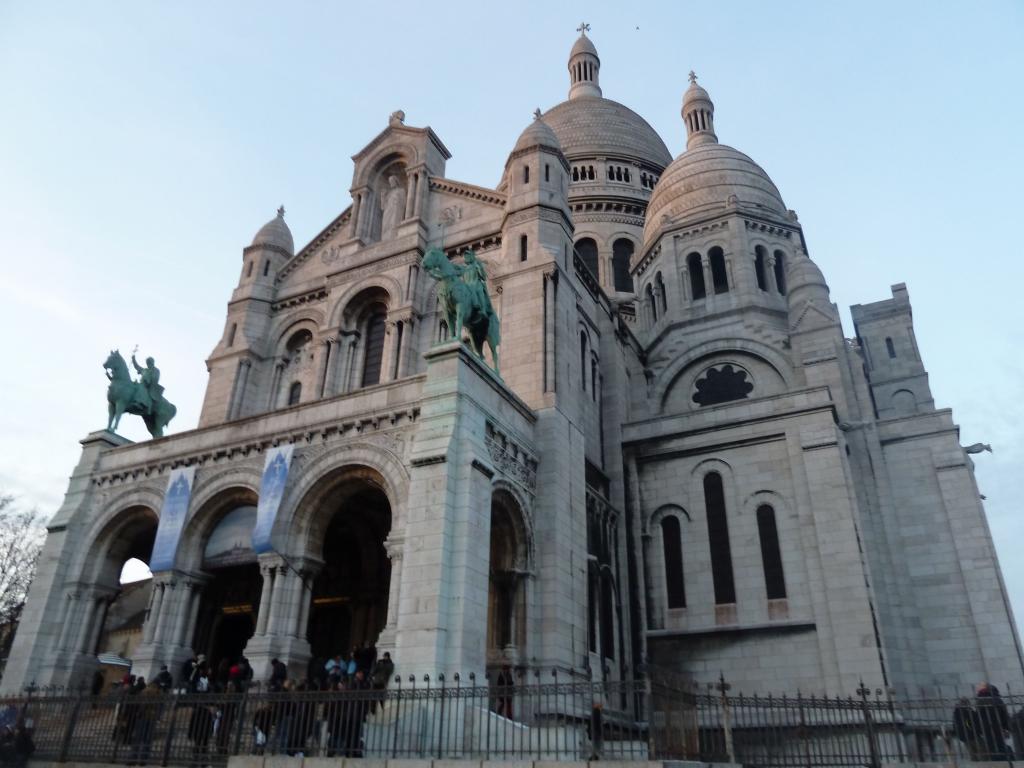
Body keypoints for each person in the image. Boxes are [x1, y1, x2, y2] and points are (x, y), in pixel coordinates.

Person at [974, 682, 1011, 760]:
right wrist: (1007, 728)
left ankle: (996, 761)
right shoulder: (997, 700)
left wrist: (979, 730)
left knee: (992, 747)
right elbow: (1004, 715)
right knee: (1001, 746)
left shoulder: (979, 701)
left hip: (986, 728)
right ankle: (1003, 760)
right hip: (999, 727)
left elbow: (978, 717)